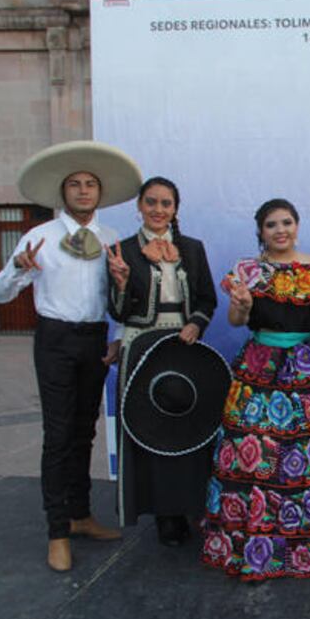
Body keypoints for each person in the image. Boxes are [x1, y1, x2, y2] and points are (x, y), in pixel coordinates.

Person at [201, 198, 310, 580]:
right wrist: (243, 305)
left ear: (297, 225)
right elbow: (235, 321)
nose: (280, 230)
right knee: (258, 457)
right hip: (261, 370)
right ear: (260, 232)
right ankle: (260, 549)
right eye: (271, 224)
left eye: (286, 222)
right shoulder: (247, 271)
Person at [0, 140, 142, 572]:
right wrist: (19, 267)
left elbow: (119, 297)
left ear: (99, 193)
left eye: (90, 184)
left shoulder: (111, 239)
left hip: (95, 341)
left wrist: (116, 333)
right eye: (74, 184)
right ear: (63, 192)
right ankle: (57, 532)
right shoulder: (38, 238)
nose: (82, 191)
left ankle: (80, 516)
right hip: (54, 340)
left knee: (84, 433)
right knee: (57, 437)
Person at [105, 176, 217, 546]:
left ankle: (191, 506)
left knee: (189, 429)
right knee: (149, 432)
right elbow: (116, 310)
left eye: (165, 203)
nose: (158, 209)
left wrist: (196, 324)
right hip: (141, 344)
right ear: (139, 206)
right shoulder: (121, 250)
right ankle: (164, 515)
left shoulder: (193, 248)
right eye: (151, 202)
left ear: (175, 209)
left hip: (184, 345)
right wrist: (120, 284)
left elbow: (207, 299)